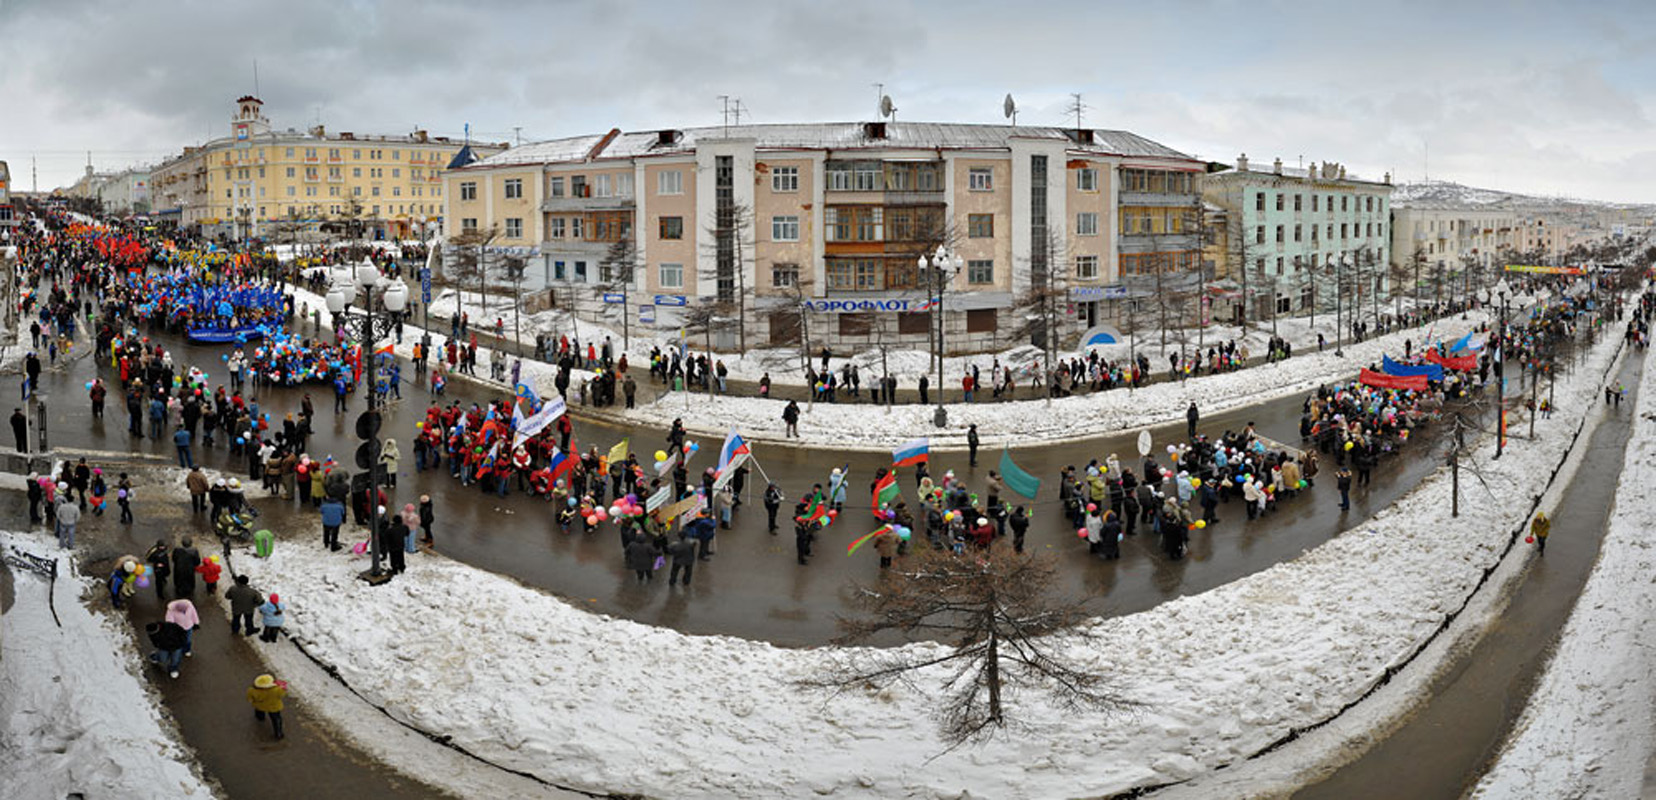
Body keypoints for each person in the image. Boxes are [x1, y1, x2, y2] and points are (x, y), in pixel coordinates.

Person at [246, 674, 289, 740]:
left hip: (260, 706)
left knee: (259, 711)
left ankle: (260, 718)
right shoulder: (277, 690)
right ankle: (278, 733)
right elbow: (282, 694)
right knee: (276, 719)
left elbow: (249, 699)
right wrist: (283, 687)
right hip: (274, 707)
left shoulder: (252, 690)